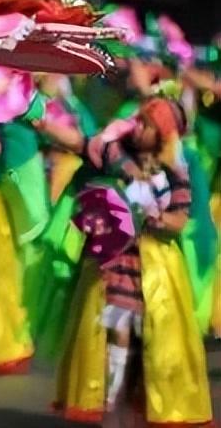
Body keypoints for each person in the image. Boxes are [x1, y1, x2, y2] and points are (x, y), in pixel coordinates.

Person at [54, 96, 213, 425]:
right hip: (116, 258)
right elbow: (80, 143)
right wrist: (38, 115)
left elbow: (179, 220)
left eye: (148, 125)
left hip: (154, 266)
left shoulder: (175, 172)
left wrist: (152, 216)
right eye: (139, 121)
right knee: (116, 325)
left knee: (152, 336)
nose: (137, 127)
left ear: (163, 134)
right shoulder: (116, 153)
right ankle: (110, 399)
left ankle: (134, 398)